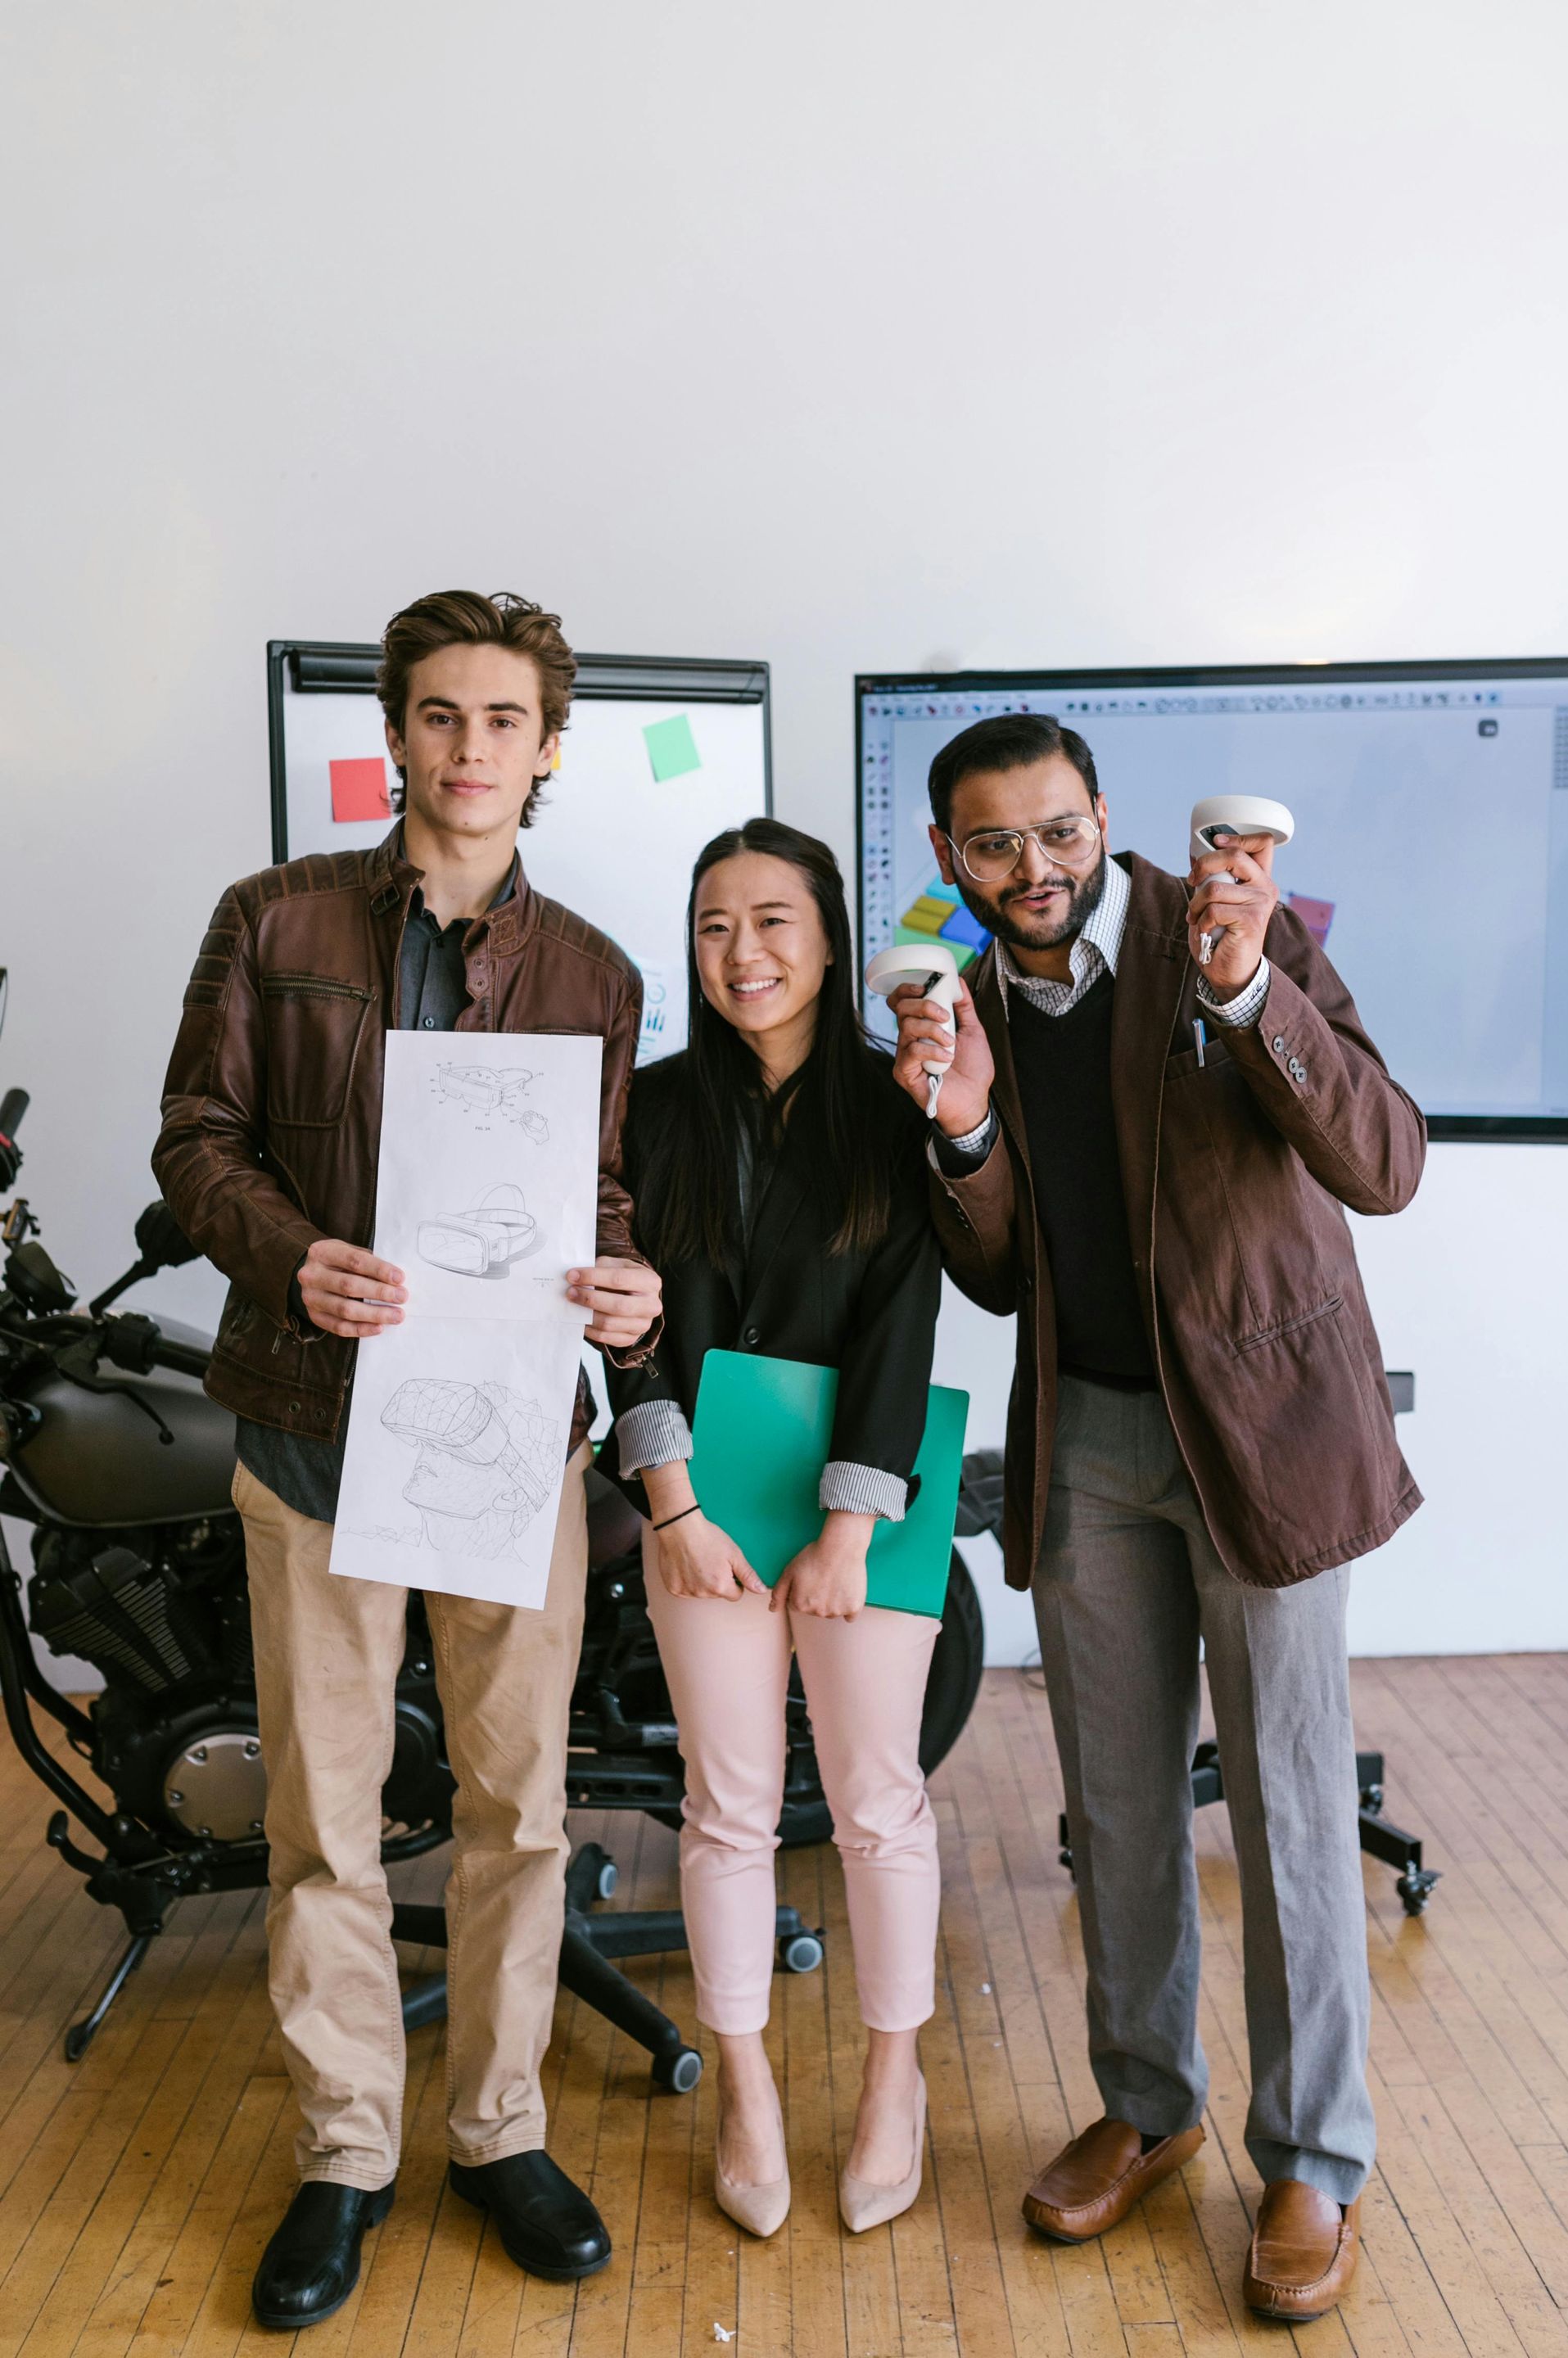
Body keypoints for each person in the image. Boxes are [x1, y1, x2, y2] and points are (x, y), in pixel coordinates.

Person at [153, 590, 662, 2331]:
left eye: (503, 718)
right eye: (439, 716)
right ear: (397, 734)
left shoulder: (597, 970)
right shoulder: (271, 919)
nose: (469, 749)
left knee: (523, 1810)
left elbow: (590, 1193)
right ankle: (346, 2150)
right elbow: (197, 1136)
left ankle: (499, 2130)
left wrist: (614, 1280)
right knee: (324, 1822)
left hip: (514, 1444)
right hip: (309, 1429)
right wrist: (291, 1251)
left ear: (546, 743)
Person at [887, 714, 1424, 2325]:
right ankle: (1147, 2098)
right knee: (1114, 1806)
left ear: (1102, 821)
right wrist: (965, 1129)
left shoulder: (1226, 934)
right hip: (1094, 1438)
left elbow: (1386, 1164)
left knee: (1288, 1804)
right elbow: (995, 1272)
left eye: (1058, 833)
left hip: (1257, 1434)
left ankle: (1312, 2158)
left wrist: (1257, 995)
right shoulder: (961, 999)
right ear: (948, 861)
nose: (1032, 869)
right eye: (994, 843)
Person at [607, 817, 943, 2240]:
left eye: (772, 923)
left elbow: (908, 1315)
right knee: (727, 1805)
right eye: (712, 927)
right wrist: (667, 1501)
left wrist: (853, 1521)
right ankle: (743, 2084)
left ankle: (893, 2084)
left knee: (878, 1804)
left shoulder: (896, 1102)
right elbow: (618, 1300)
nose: (740, 954)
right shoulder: (653, 1103)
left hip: (869, 1499)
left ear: (827, 938)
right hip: (698, 1507)